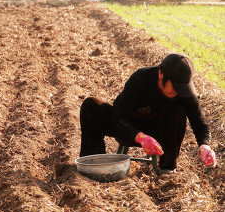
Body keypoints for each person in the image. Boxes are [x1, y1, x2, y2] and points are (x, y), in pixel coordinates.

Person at [79, 53, 217, 173]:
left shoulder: (185, 93)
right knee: (91, 105)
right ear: (161, 74)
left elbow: (200, 125)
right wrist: (140, 137)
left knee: (177, 110)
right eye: (174, 86)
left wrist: (205, 146)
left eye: (182, 88)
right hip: (126, 128)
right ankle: (93, 164)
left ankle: (167, 169)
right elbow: (118, 118)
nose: (177, 92)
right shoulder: (140, 80)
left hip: (159, 134)